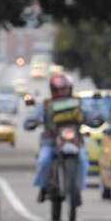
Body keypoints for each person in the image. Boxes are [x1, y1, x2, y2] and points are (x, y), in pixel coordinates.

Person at [30, 74, 97, 203]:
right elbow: (34, 116)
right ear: (52, 90)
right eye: (57, 90)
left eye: (64, 89)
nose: (61, 92)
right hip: (50, 141)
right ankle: (43, 187)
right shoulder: (46, 104)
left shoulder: (78, 103)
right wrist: (32, 121)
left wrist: (95, 118)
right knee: (44, 160)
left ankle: (78, 190)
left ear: (69, 89)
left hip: (75, 141)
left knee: (83, 161)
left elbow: (89, 114)